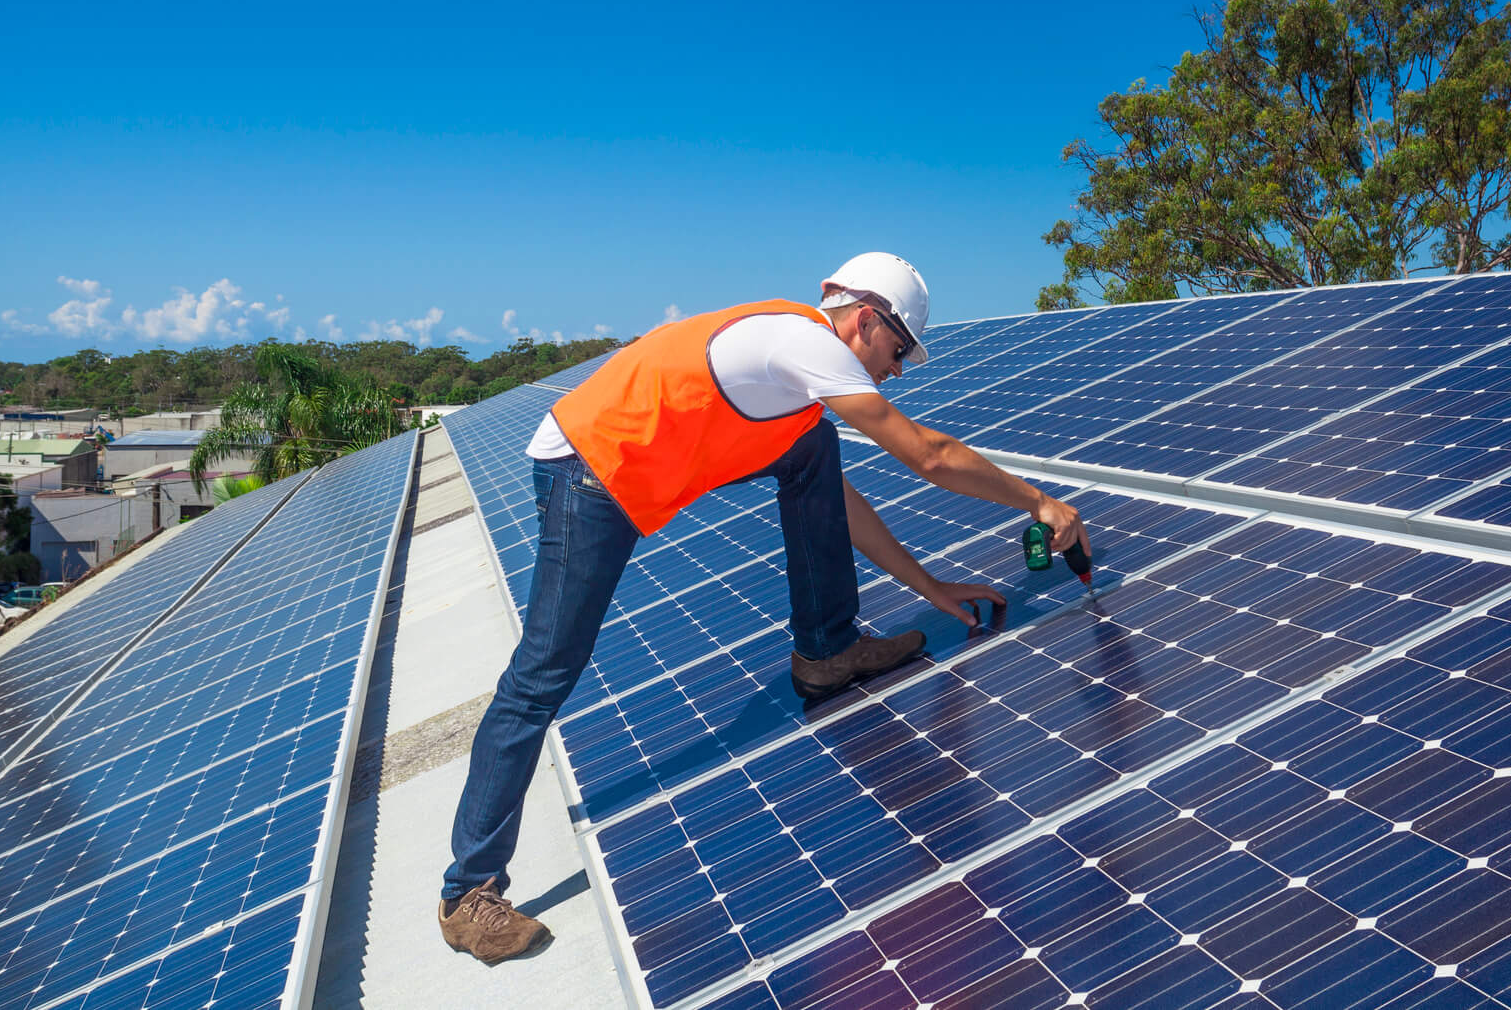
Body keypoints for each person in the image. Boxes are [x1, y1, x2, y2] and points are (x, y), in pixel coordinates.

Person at [437, 253, 1091, 965]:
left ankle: (826, 650)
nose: (898, 369)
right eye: (898, 350)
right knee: (544, 673)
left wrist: (930, 587)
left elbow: (841, 505)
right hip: (590, 471)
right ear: (866, 319)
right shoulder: (802, 343)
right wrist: (1039, 501)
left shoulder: (795, 391)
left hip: (638, 462)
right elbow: (927, 455)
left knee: (813, 450)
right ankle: (467, 892)